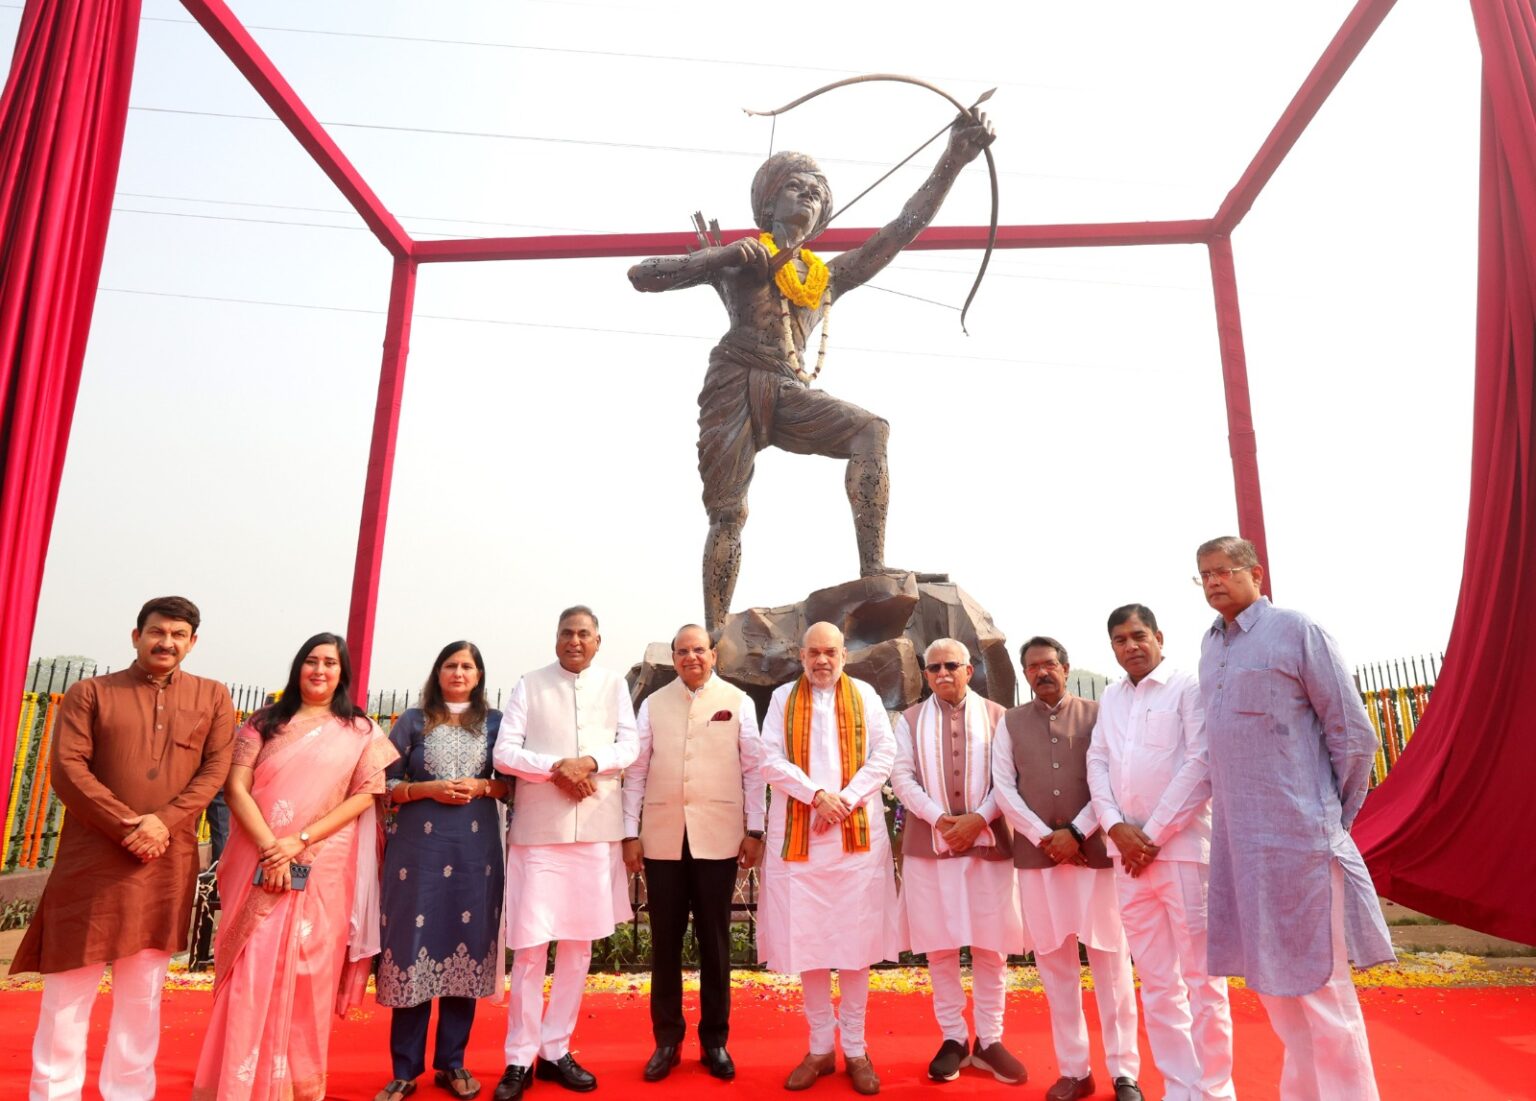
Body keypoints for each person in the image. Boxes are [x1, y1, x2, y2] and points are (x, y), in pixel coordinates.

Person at [627, 111, 996, 631]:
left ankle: (873, 565)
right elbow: (643, 275)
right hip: (734, 381)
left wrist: (953, 159)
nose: (807, 196)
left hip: (787, 386)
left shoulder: (827, 276)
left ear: (824, 214)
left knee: (871, 430)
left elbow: (901, 229)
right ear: (768, 203)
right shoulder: (740, 258)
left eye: (817, 193)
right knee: (728, 512)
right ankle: (713, 630)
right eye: (794, 187)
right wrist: (719, 255)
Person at [1194, 536, 1393, 1099]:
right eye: (1203, 575)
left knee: (1323, 990)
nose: (1213, 582)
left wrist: (1326, 816)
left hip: (1302, 844)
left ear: (1255, 573)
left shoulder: (1298, 630)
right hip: (1240, 848)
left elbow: (1354, 736)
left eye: (1223, 570)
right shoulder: (1210, 645)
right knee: (1277, 995)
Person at [18, 596, 235, 1101]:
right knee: (69, 991)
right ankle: (54, 1094)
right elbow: (68, 769)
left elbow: (215, 772)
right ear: (136, 636)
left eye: (178, 635)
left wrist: (163, 823)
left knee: (143, 994)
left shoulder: (213, 697)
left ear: (193, 643)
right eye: (157, 632)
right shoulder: (90, 693)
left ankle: (129, 1093)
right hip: (92, 862)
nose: (166, 642)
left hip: (166, 863)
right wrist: (130, 825)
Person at [192, 632, 398, 1101]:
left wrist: (299, 841)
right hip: (259, 856)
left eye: (330, 663)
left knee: (307, 972)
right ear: (298, 667)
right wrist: (272, 847)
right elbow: (235, 788)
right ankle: (238, 1085)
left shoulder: (360, 731)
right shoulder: (264, 722)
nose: (320, 670)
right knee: (250, 967)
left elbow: (366, 795)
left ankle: (291, 1086)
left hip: (323, 863)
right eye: (312, 661)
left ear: (343, 673)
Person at [1086, 605, 1234, 1101]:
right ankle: (1179, 1087)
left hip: (1182, 851)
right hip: (1128, 860)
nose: (1130, 646)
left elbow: (1201, 763)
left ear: (1159, 637)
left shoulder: (1188, 687)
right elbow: (1097, 762)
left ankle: (1215, 1091)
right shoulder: (1110, 697)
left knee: (1203, 980)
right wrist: (1114, 827)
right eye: (1120, 640)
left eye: (1138, 635)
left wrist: (1148, 836)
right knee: (1156, 981)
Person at [491, 606, 639, 1100]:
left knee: (578, 948)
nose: (575, 641)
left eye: (583, 634)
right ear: (556, 639)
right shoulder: (529, 684)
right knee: (531, 949)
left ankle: (556, 1049)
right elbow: (505, 753)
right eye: (566, 633)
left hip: (595, 831)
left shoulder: (614, 685)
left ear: (598, 640)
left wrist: (589, 762)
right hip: (539, 834)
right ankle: (519, 1057)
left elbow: (630, 746)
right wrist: (558, 768)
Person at [992, 637, 1142, 1101]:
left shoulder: (1098, 714)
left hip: (1093, 857)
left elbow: (1110, 781)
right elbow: (1003, 788)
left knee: (1111, 964)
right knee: (1055, 967)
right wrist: (1046, 838)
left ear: (1066, 666)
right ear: (1025, 674)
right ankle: (1075, 1070)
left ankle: (1124, 1072)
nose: (1042, 673)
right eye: (1032, 667)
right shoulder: (1010, 723)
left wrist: (1076, 833)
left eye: (1049, 664)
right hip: (1040, 863)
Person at [759, 621, 904, 1096]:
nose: (822, 660)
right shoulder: (782, 699)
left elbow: (884, 754)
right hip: (801, 837)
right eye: (814, 652)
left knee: (855, 944)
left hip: (855, 840)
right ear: (801, 656)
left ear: (844, 655)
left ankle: (857, 1049)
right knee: (810, 941)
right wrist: (817, 796)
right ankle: (820, 1047)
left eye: (830, 652)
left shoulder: (865, 695)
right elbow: (768, 759)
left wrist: (845, 799)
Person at [621, 624, 766, 1082]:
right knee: (665, 943)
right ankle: (667, 1040)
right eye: (682, 651)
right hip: (663, 838)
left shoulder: (738, 702)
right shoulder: (653, 704)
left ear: (713, 655)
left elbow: (754, 770)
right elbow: (636, 771)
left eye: (699, 650)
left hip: (718, 837)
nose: (691, 658)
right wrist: (629, 833)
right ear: (674, 658)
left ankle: (714, 1040)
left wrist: (756, 829)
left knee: (716, 944)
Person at [375, 642, 512, 1101]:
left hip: (475, 854)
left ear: (479, 675)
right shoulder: (412, 721)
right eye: (450, 665)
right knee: (413, 946)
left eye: (467, 666)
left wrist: (482, 786)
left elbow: (512, 785)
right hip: (417, 855)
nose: (458, 672)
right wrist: (427, 789)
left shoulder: (496, 723)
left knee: (464, 944)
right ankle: (404, 1070)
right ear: (437, 673)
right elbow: (384, 783)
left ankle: (452, 1063)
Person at [890, 638, 1026, 1085]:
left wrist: (979, 819)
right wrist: (940, 819)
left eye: (951, 665)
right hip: (931, 845)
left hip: (989, 843)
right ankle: (953, 1037)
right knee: (940, 946)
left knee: (991, 946)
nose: (943, 673)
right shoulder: (910, 720)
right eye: (934, 668)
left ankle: (990, 1039)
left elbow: (1008, 779)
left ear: (969, 670)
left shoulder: (998, 717)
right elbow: (901, 777)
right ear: (926, 674)